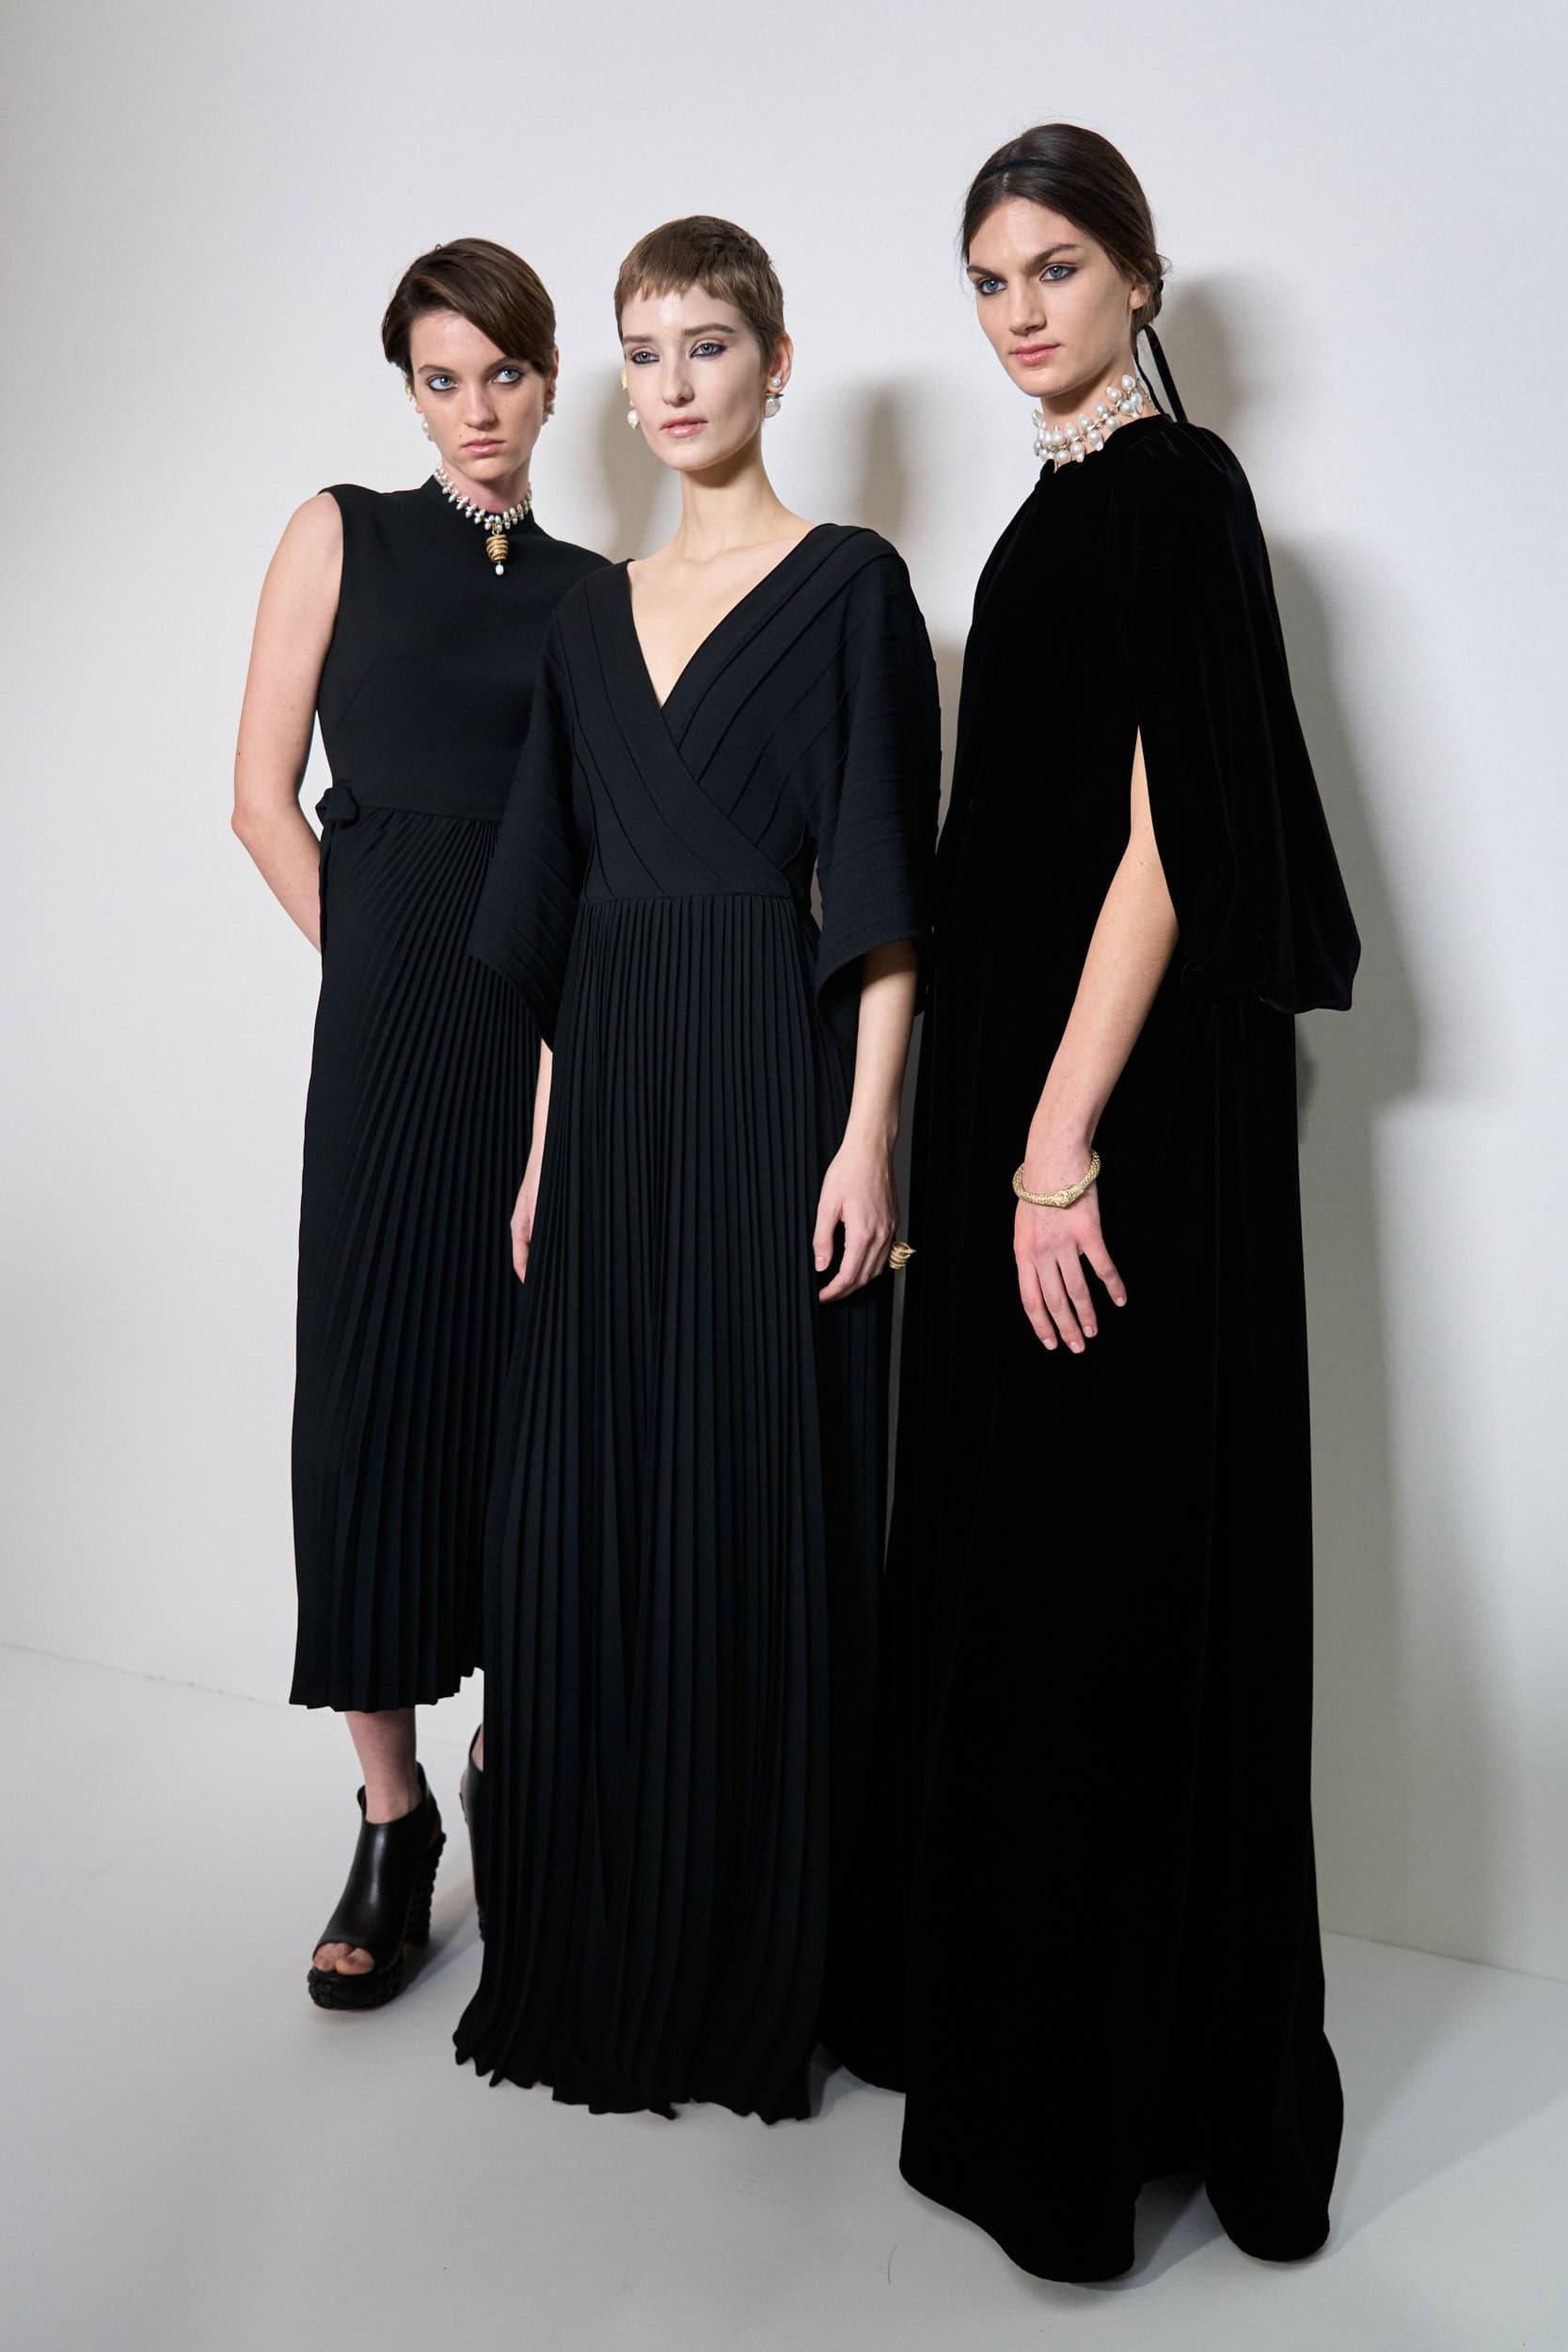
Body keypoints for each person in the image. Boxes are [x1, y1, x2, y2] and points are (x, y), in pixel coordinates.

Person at [827, 125, 1358, 2279]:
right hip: (1025, 1104)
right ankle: (1032, 2041)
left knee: (1105, 1597)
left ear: (1140, 274)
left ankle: (1108, 2101)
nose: (1018, 311)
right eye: (987, 278)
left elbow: (1166, 843)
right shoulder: (1048, 515)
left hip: (1115, 1120)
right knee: (1033, 1583)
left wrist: (1056, 1144)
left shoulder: (1177, 488)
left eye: (1055, 266)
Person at [454, 215, 940, 2120]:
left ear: (777, 362)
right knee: (587, 1495)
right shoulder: (586, 620)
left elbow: (883, 893)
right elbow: (556, 914)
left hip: (770, 1073)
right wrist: (541, 1153)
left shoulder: (853, 587)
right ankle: (601, 1921)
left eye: (707, 345)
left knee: (757, 1490)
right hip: (612, 1093)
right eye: (643, 352)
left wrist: (867, 1141)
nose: (671, 385)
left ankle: (757, 1943)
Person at [232, 238, 606, 2010]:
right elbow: (260, 799)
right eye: (442, 380)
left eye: (504, 376)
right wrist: (381, 963)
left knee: (532, 1406)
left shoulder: (597, 593)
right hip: (389, 1035)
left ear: (551, 382)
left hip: (542, 1040)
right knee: (369, 1398)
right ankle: (394, 1819)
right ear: (409, 389)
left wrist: (542, 1043)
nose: (475, 411)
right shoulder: (341, 533)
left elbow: (597, 851)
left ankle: (518, 1773)